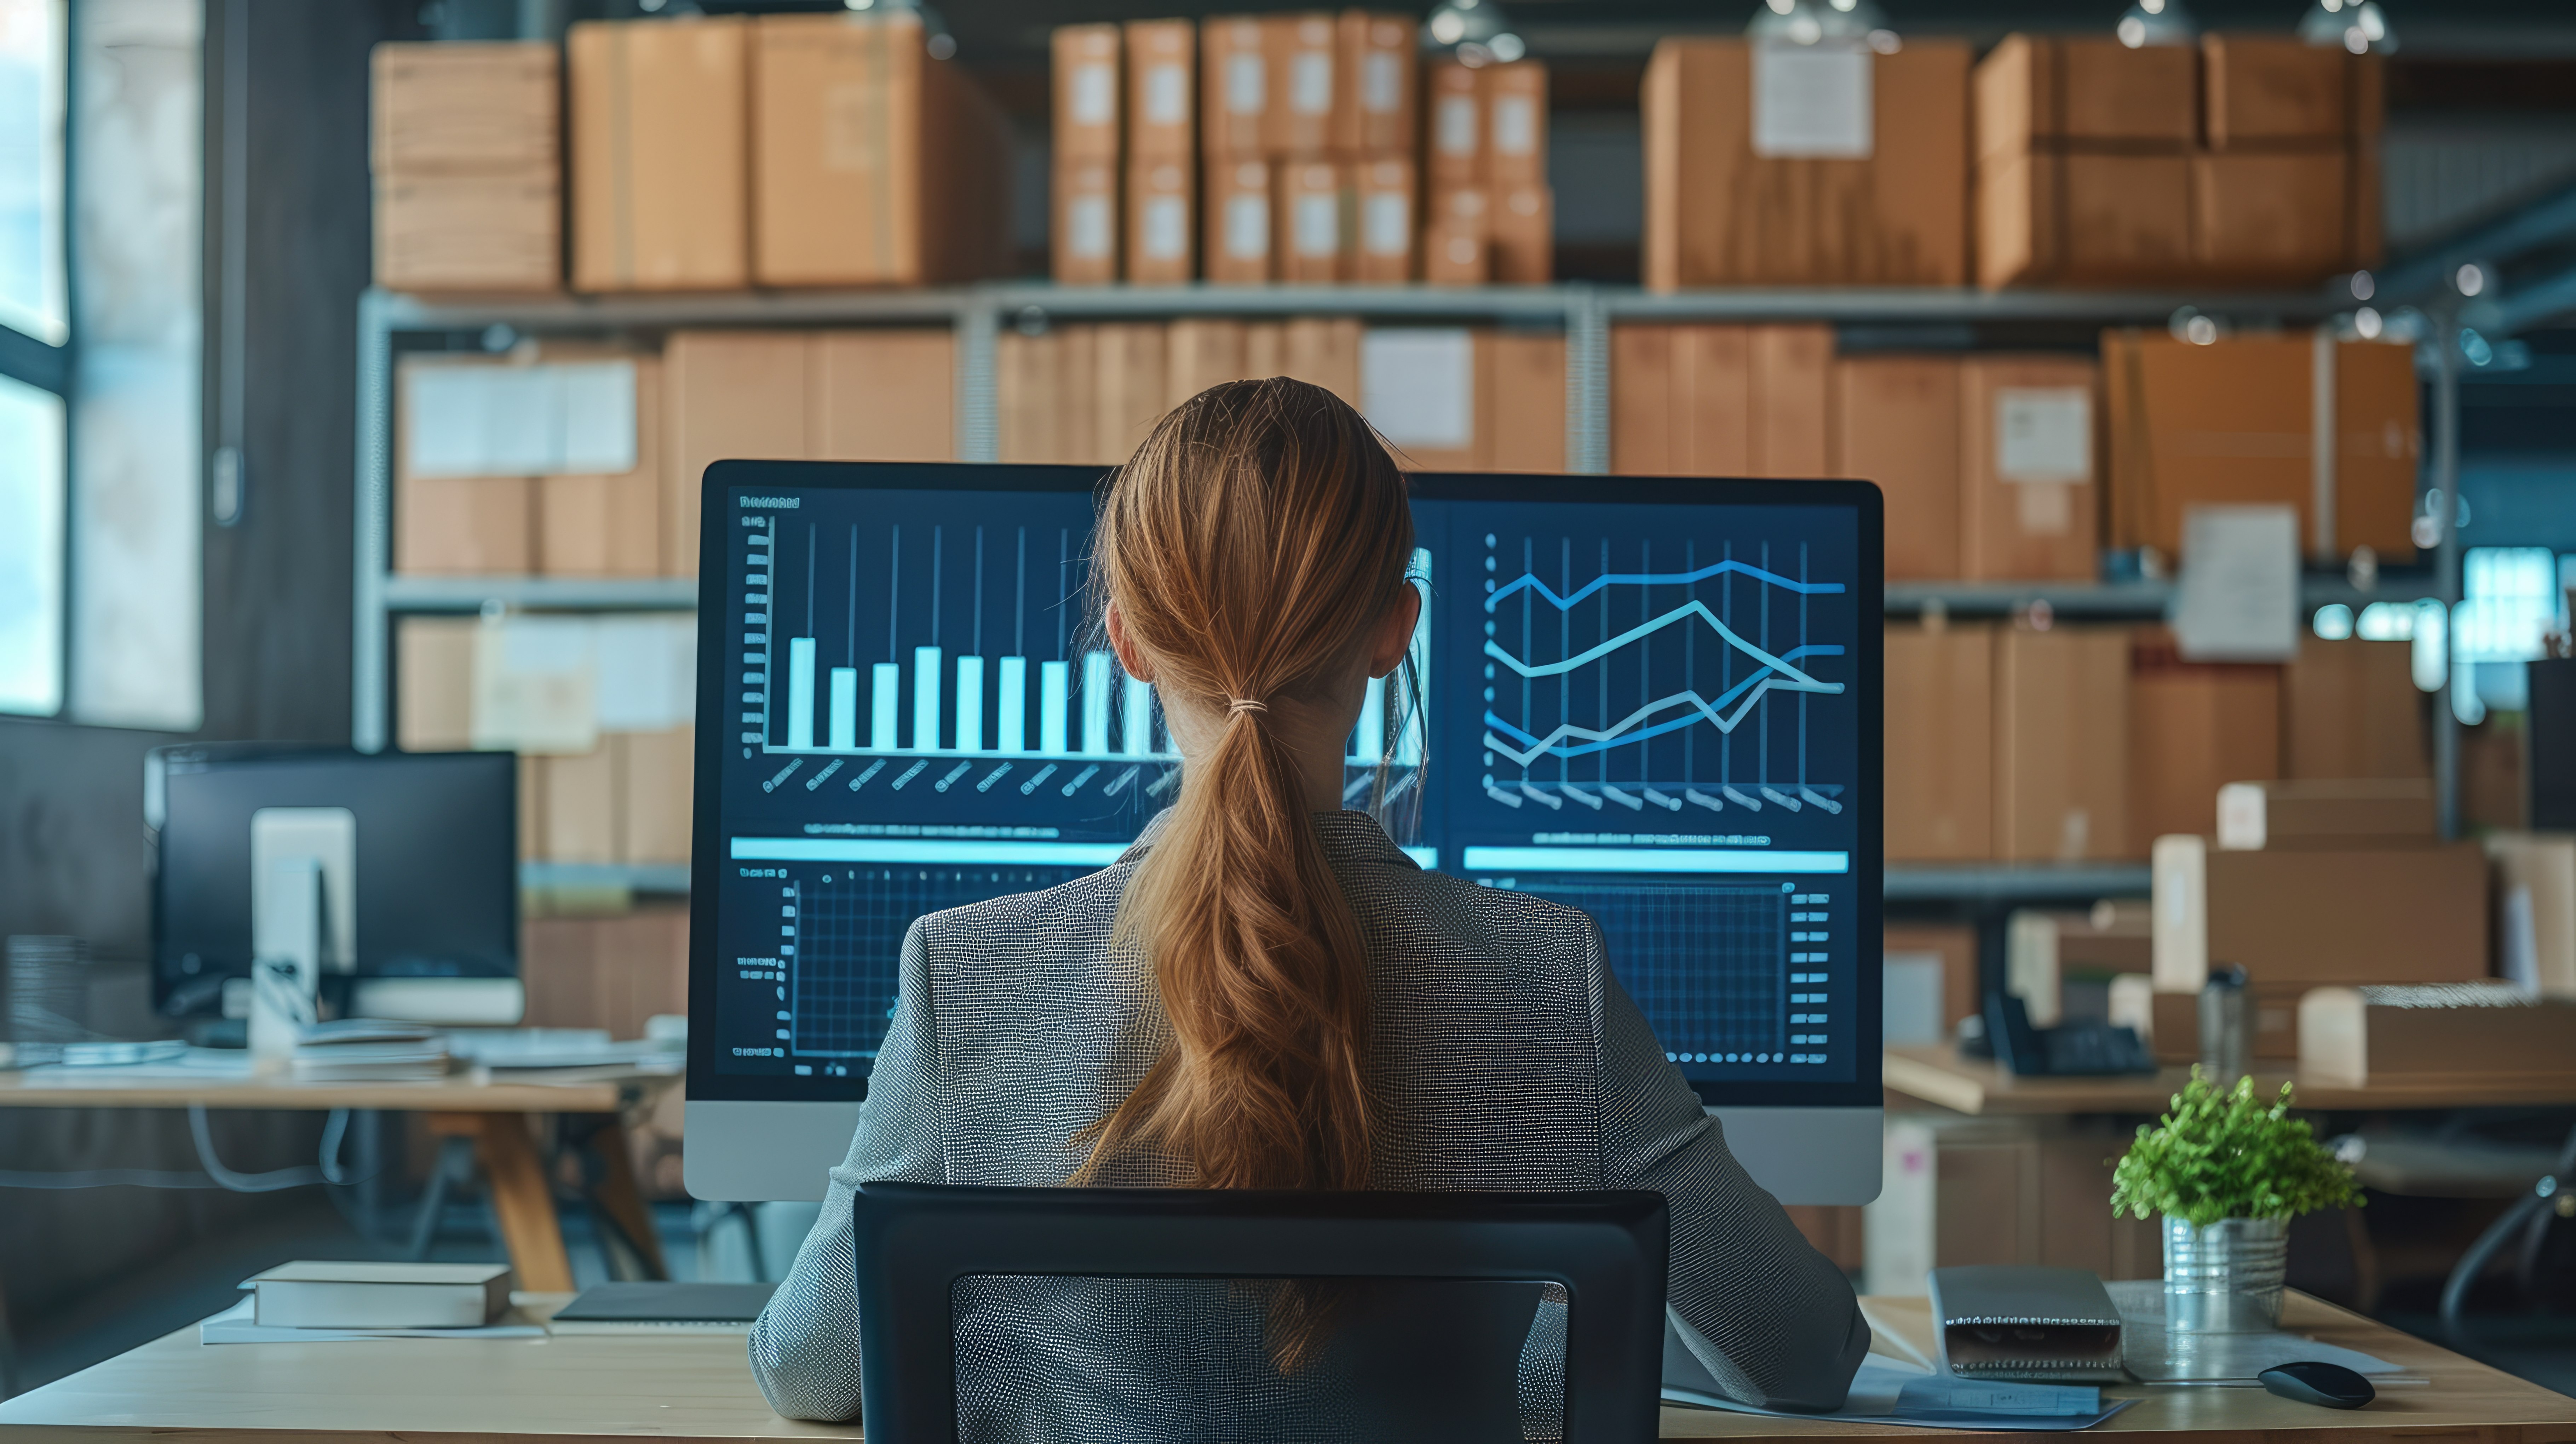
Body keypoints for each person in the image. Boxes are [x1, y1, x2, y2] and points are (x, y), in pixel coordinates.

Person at [748, 378, 1867, 1438]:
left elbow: (810, 1369)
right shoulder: (1545, 976)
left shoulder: (966, 974)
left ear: (1129, 641)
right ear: (1395, 631)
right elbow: (1805, 1356)